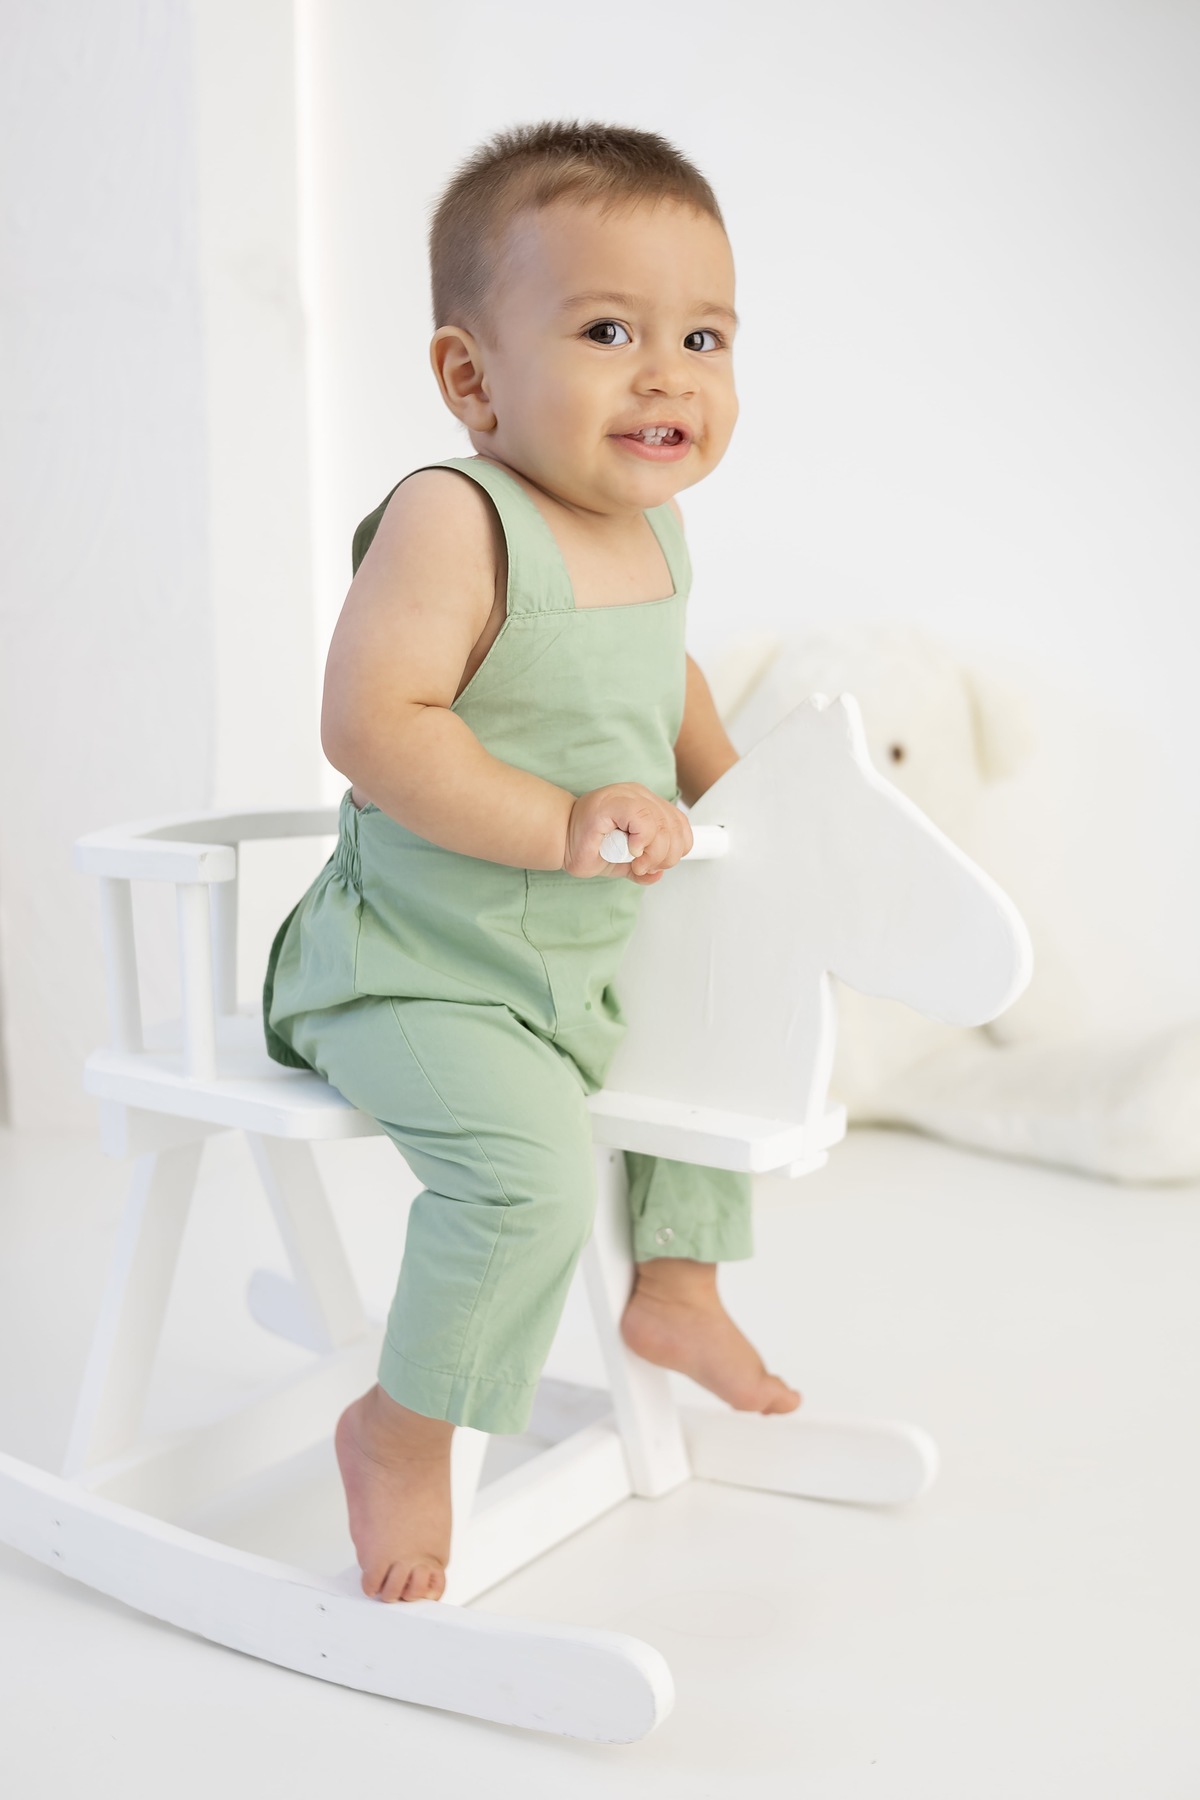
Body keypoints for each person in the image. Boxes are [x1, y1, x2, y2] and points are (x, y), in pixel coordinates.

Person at [262, 119, 801, 1606]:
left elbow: (661, 683)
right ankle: (397, 1426)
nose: (668, 371)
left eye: (704, 335)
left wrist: (747, 805)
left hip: (571, 967)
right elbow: (373, 724)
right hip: (416, 973)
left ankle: (678, 1289)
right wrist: (558, 823)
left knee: (723, 1041)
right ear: (470, 377)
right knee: (525, 1183)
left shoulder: (657, 527)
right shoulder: (456, 515)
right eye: (609, 328)